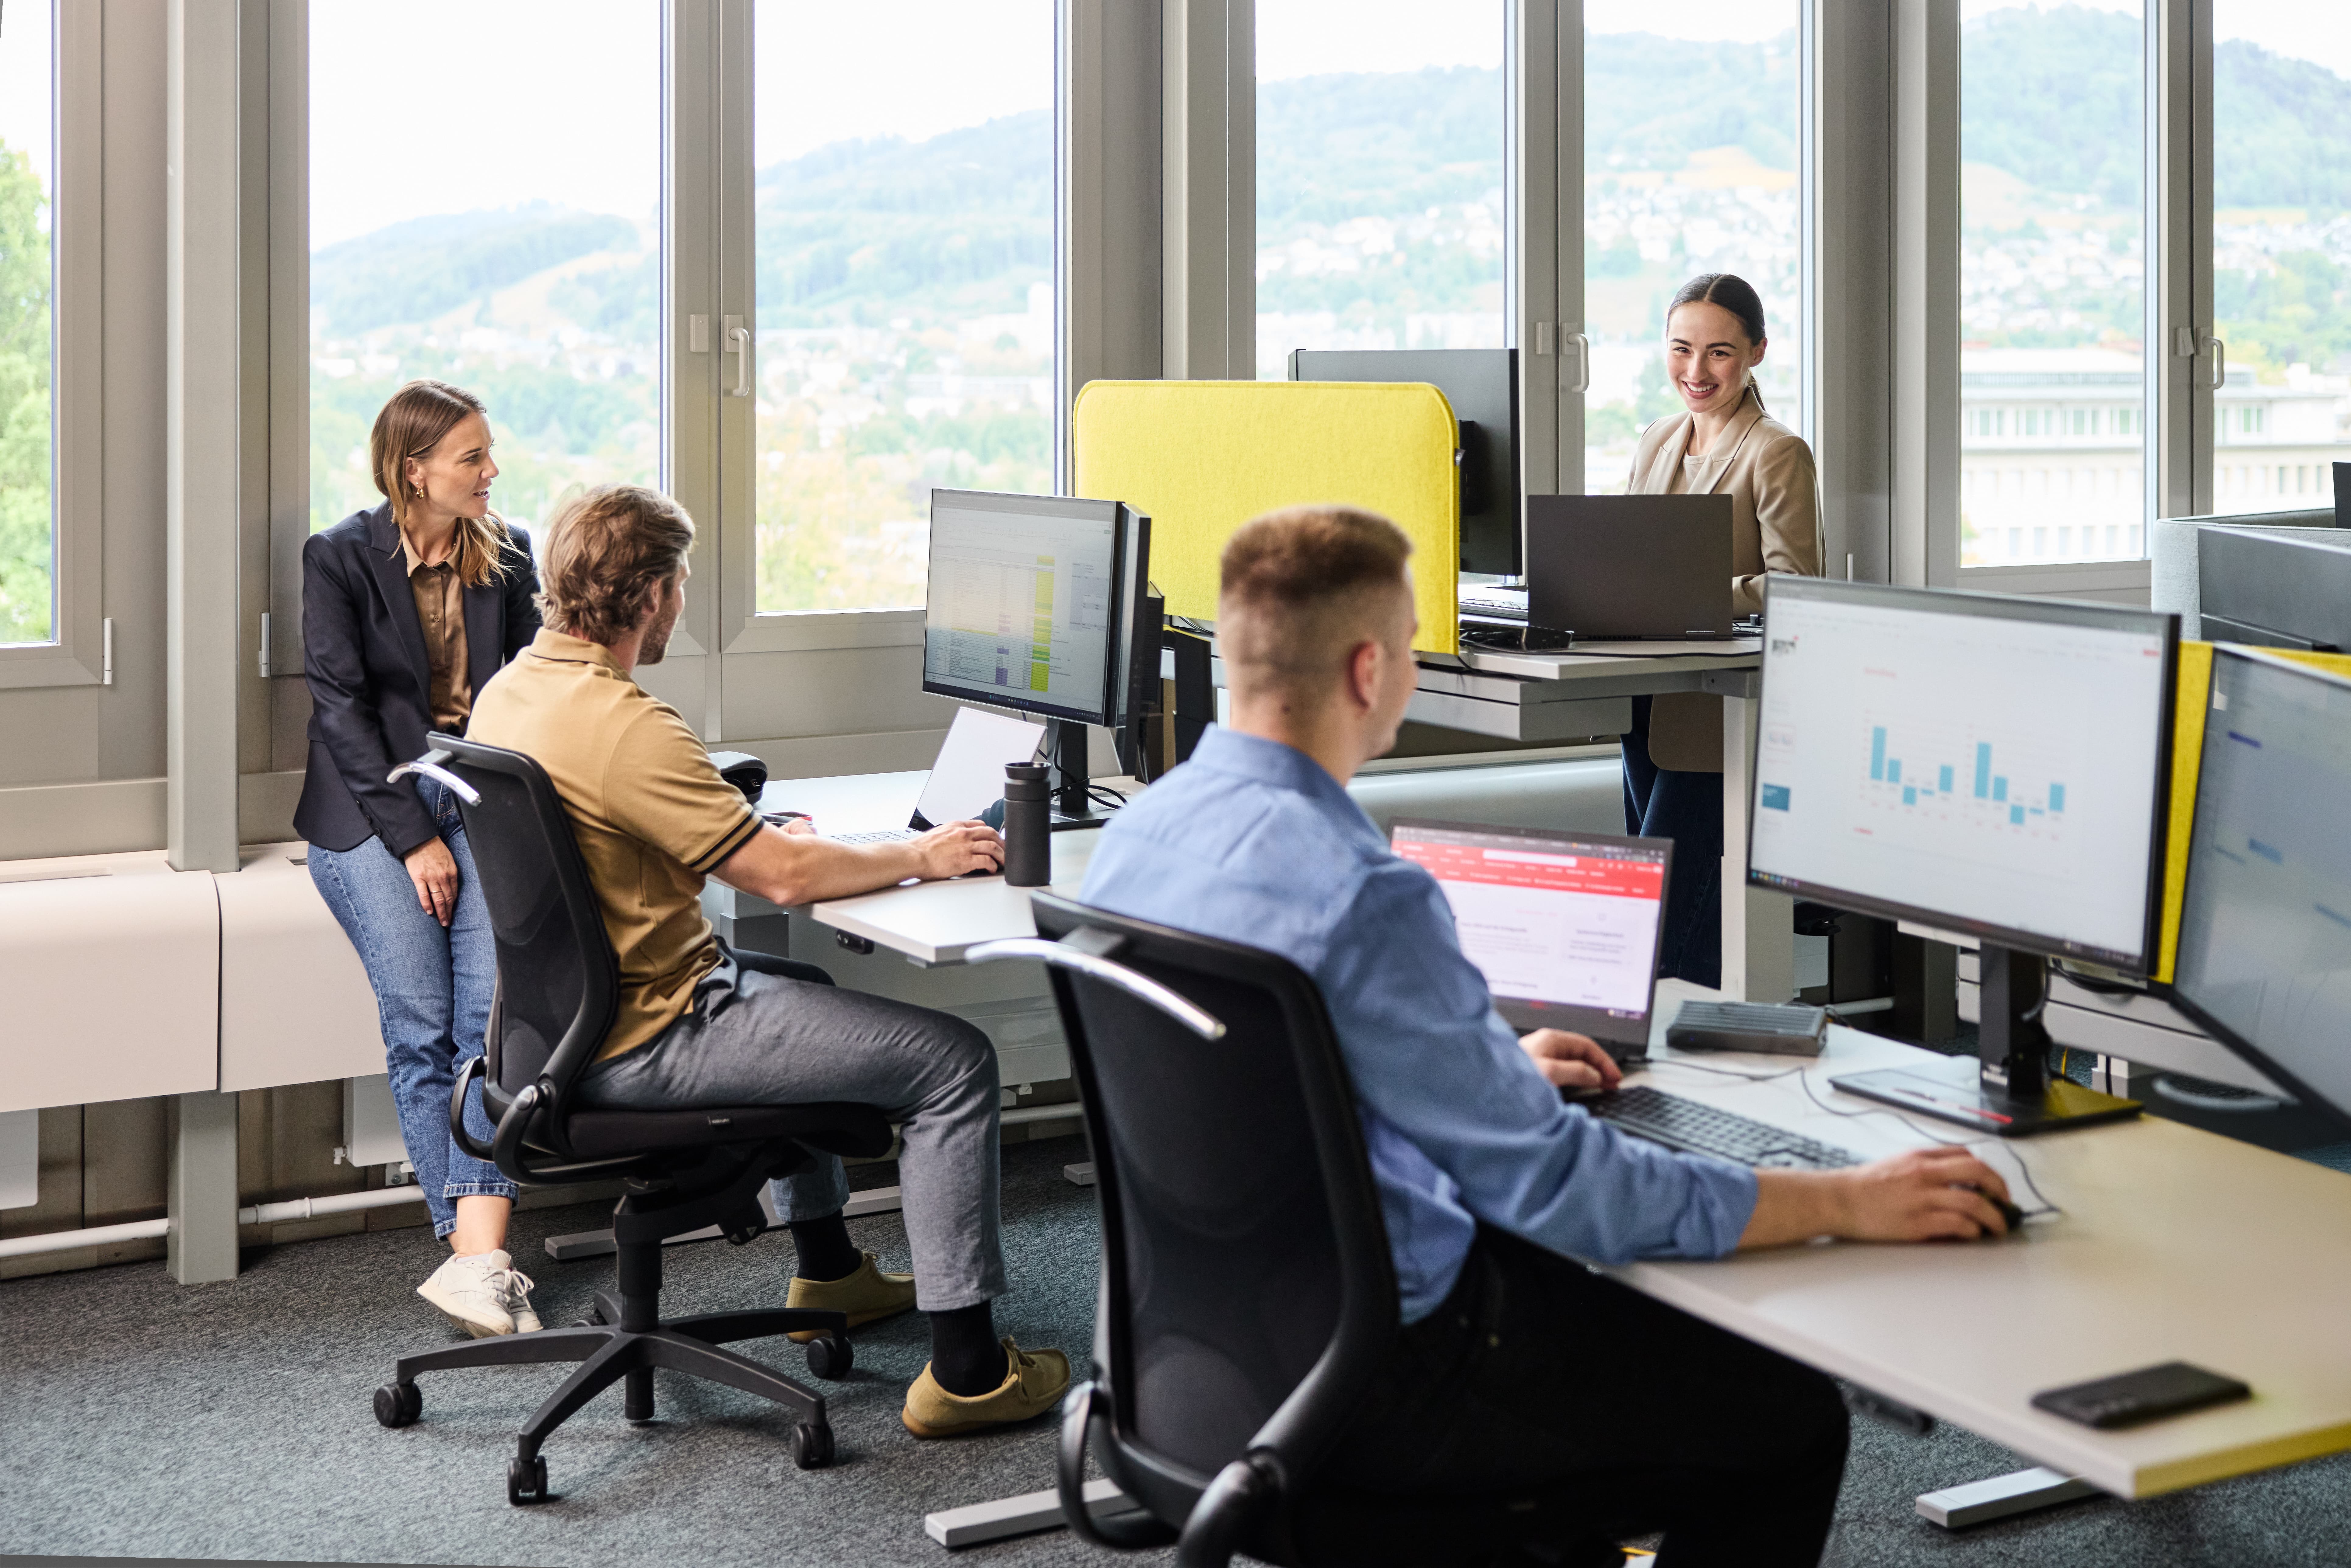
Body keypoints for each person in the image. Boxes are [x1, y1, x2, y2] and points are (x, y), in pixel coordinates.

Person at [1080, 504, 2013, 1567]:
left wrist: (1477, 1078)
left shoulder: (1136, 840)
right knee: (1786, 1419)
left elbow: (1247, 1090)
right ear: (1370, 670)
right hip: (1387, 1383)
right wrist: (1846, 1200)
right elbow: (1566, 1191)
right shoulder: (1365, 893)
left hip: (1200, 1364)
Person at [465, 483, 1070, 1438]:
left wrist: (740, 827)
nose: (686, 599)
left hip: (554, 1036)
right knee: (954, 1063)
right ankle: (968, 1372)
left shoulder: (513, 690)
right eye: (684, 583)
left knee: (807, 987)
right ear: (655, 594)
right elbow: (785, 880)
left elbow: (618, 833)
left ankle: (830, 1273)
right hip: (656, 1035)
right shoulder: (627, 723)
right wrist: (919, 854)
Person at [297, 380, 545, 1338]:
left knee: (495, 1024)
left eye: (489, 454)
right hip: (372, 808)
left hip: (484, 791)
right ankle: (477, 1255)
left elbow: (531, 691)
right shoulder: (340, 557)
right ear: (416, 470)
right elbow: (341, 714)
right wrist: (417, 840)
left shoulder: (507, 554)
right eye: (473, 457)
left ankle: (477, 1263)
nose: (492, 472)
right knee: (420, 1026)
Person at [1624, 272, 1825, 987]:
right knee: (1674, 909)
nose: (1696, 371)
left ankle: (1680, 1066)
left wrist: (1701, 591)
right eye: (1681, 350)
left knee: (1662, 920)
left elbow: (1798, 584)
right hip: (1644, 704)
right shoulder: (1656, 440)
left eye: (1718, 353)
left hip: (1719, 714)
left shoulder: (1775, 451)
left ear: (1756, 353)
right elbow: (1631, 556)